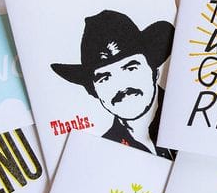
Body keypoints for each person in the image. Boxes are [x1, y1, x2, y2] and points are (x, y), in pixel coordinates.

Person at [50, 10, 175, 158]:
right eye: (104, 78)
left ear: (154, 72)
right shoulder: (103, 153)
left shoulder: (190, 110)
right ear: (94, 91)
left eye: (130, 68)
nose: (121, 85)